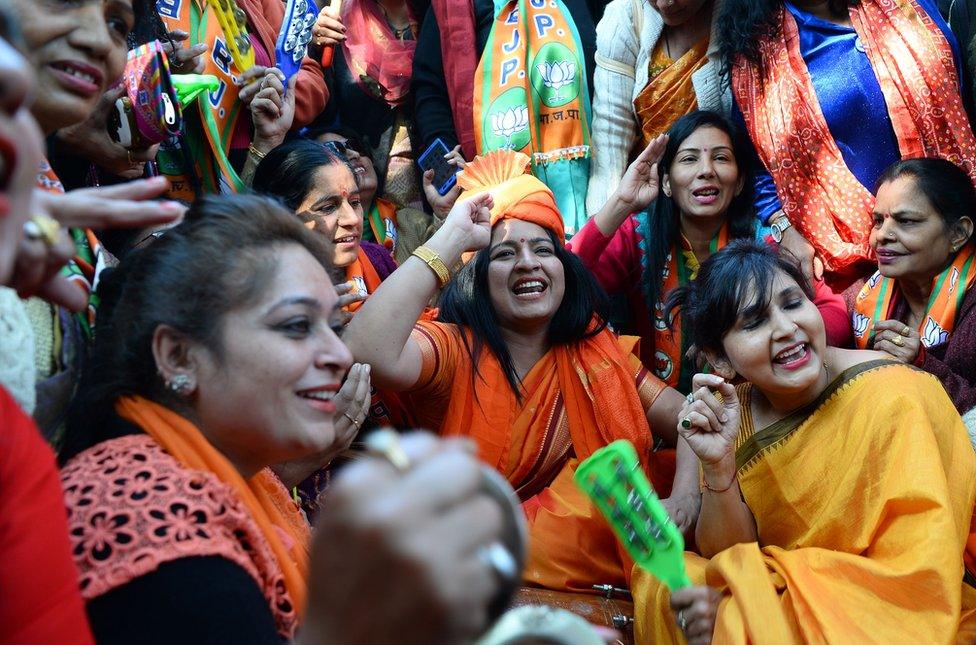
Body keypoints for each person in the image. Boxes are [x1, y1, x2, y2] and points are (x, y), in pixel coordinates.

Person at [58, 195, 509, 642]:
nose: (337, 354)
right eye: (296, 326)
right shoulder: (157, 537)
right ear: (178, 357)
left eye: (332, 326)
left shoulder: (231, 480)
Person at [343, 149, 700, 592]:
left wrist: (686, 494)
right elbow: (364, 349)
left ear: (564, 270)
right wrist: (450, 238)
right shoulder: (455, 349)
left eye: (543, 250)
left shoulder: (596, 352)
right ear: (479, 278)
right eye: (505, 253)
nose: (528, 262)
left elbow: (691, 419)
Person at [632, 240, 976, 643]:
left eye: (793, 304)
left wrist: (780, 592)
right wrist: (718, 469)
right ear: (720, 359)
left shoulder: (896, 393)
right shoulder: (733, 411)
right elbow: (725, 556)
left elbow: (918, 568)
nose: (787, 329)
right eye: (754, 322)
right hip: (791, 591)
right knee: (670, 582)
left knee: (728, 619)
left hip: (880, 603)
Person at [571, 111, 851, 393]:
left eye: (721, 157)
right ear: (666, 182)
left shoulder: (765, 243)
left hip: (754, 403)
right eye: (689, 159)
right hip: (654, 410)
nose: (706, 170)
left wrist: (761, 347)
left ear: (740, 182)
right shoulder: (637, 234)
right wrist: (622, 200)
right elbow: (567, 282)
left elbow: (834, 312)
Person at [718, 0, 976, 290]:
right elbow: (757, 165)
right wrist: (783, 227)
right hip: (851, 267)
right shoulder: (758, 52)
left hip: (953, 234)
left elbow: (962, 108)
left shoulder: (910, 7)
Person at [412, 0, 600, 232]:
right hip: (492, 202)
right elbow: (431, 92)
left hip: (597, 180)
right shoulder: (452, 6)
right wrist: (457, 176)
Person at [847, 158, 976, 438]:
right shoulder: (862, 297)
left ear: (958, 233)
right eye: (878, 221)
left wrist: (922, 364)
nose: (882, 235)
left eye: (906, 221)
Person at [153, 0, 328, 201]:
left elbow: (311, 78)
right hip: (169, 167)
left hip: (256, 158)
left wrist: (277, 87)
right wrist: (162, 77)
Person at [586, 0, 725, 215]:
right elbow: (610, 139)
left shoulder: (747, 19)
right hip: (643, 208)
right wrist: (603, 230)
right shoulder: (627, 16)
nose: (665, 3)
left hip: (720, 206)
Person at [311, 0, 423, 210]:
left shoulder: (444, 13)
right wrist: (314, 51)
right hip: (363, 196)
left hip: (441, 171)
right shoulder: (336, 20)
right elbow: (321, 119)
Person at [308, 126, 446, 265]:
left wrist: (444, 213)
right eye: (336, 150)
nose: (354, 153)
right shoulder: (315, 248)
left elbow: (456, 275)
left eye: (356, 146)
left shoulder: (410, 222)